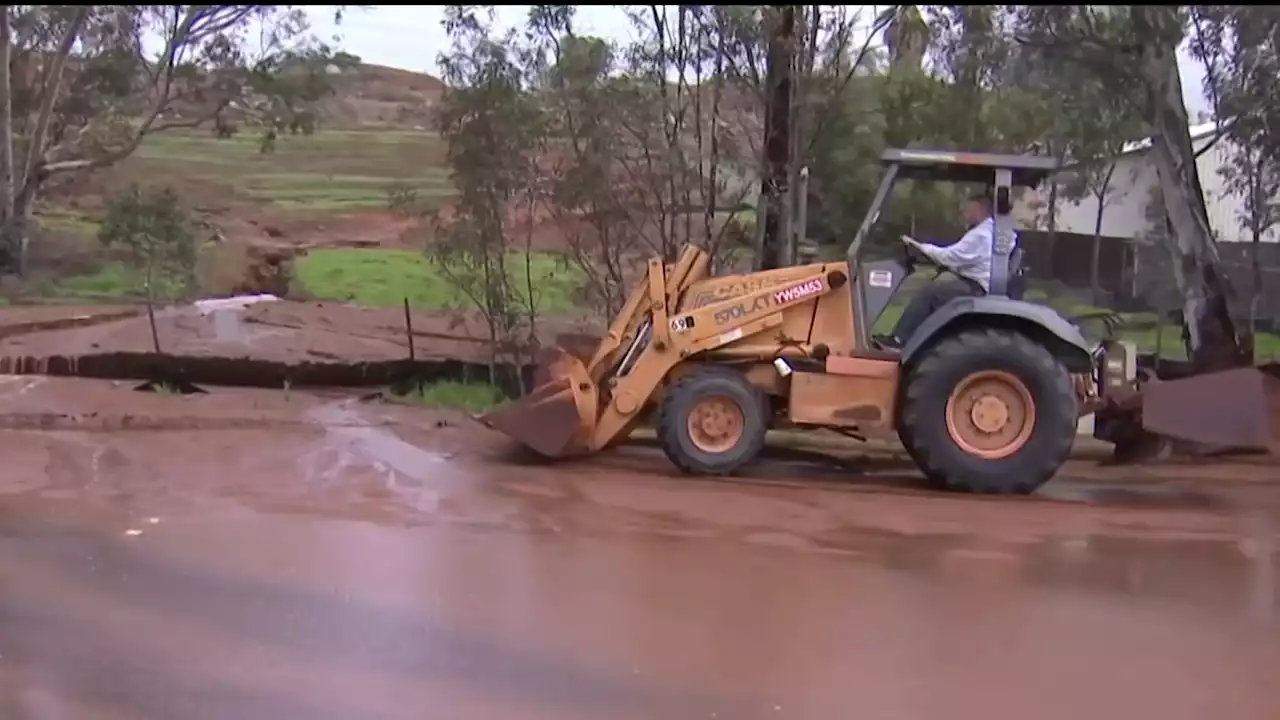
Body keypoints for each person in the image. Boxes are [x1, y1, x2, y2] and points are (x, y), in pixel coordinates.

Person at [873, 190, 1017, 350]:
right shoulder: (995, 231)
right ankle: (918, 342)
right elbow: (960, 259)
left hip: (977, 287)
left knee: (930, 293)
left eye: (969, 209)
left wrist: (921, 247)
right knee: (937, 290)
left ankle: (899, 340)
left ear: (981, 209)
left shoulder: (981, 234)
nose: (965, 213)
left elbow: (950, 256)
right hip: (978, 283)